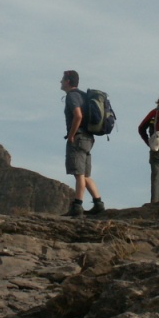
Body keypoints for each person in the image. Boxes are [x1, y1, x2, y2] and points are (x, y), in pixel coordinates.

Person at [60, 70, 105, 217]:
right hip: (89, 138)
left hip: (78, 138)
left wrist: (71, 135)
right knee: (84, 174)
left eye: (62, 79)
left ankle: (77, 206)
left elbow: (78, 116)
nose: (60, 82)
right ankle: (98, 204)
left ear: (68, 81)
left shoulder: (72, 96)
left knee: (78, 174)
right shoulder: (84, 96)